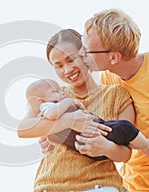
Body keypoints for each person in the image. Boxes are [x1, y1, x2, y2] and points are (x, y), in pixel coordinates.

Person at [18, 29, 134, 192]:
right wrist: (69, 121)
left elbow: (126, 153)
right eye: (58, 66)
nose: (67, 70)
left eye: (70, 60)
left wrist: (105, 147)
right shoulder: (51, 94)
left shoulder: (116, 95)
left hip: (99, 185)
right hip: (50, 185)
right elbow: (24, 129)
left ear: (85, 54)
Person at [78, 8, 149, 191]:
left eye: (87, 50)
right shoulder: (109, 79)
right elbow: (111, 130)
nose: (81, 54)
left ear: (114, 57)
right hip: (130, 184)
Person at [25, 78, 149, 160]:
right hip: (90, 139)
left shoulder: (115, 94)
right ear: (40, 100)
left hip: (94, 141)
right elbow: (49, 115)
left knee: (123, 136)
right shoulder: (47, 107)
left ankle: (146, 144)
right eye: (55, 91)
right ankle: (148, 146)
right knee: (124, 128)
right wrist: (69, 102)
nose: (61, 93)